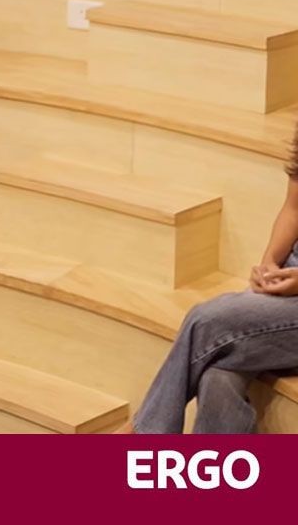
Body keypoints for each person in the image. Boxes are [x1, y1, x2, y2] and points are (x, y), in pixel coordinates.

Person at [118, 159, 298, 433]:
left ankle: (141, 433)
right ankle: (212, 472)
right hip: (288, 282)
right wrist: (269, 265)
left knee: (204, 321)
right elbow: (294, 207)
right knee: (217, 377)